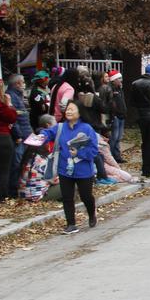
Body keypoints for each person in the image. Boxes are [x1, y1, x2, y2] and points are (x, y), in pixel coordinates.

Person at [41, 100, 100, 234]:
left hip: (83, 170)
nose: (68, 111)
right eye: (67, 109)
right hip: (64, 168)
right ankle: (71, 224)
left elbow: (94, 150)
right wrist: (42, 135)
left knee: (86, 196)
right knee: (67, 197)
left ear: (79, 113)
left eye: (72, 109)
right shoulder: (61, 127)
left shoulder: (87, 128)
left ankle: (91, 213)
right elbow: (49, 133)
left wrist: (79, 153)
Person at [132, 64, 150, 178]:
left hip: (141, 115)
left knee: (145, 142)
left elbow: (133, 101)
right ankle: (149, 168)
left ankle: (146, 168)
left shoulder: (135, 84)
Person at [7, 74, 32, 197]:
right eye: (22, 82)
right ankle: (12, 190)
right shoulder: (12, 96)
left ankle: (19, 187)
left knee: (22, 163)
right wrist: (18, 135)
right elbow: (14, 119)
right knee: (16, 163)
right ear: (17, 84)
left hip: (25, 133)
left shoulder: (18, 95)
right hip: (20, 136)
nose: (24, 84)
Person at [104, 70, 126, 162]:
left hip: (121, 115)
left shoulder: (119, 89)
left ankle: (117, 156)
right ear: (114, 80)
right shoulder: (110, 89)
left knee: (118, 137)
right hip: (115, 116)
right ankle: (112, 156)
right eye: (119, 78)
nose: (121, 80)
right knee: (114, 137)